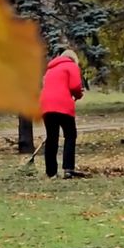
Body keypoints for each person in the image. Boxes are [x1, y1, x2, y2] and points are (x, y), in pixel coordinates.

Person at [39, 49, 84, 179]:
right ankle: (68, 168)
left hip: (47, 106)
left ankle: (51, 172)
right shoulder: (71, 66)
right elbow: (75, 86)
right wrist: (78, 95)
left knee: (52, 138)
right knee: (70, 135)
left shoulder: (50, 69)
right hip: (63, 104)